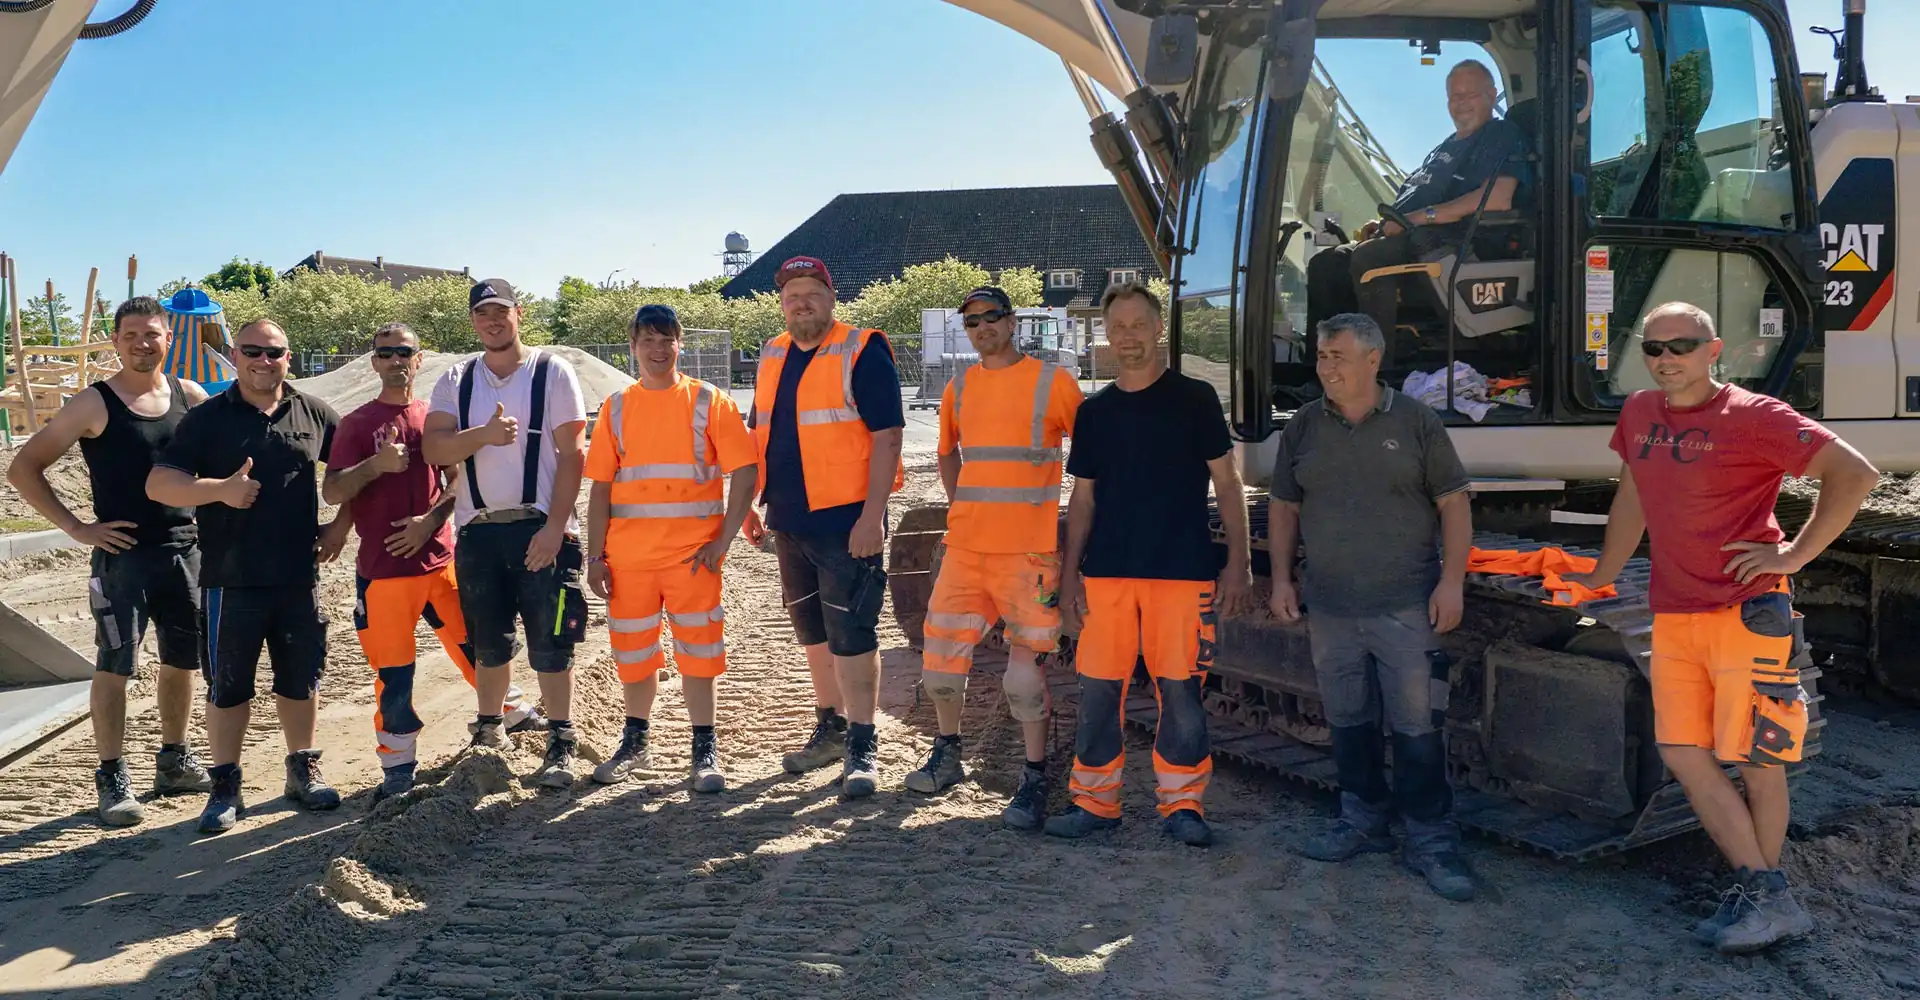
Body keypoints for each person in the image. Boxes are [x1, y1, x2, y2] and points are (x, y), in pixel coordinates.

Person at [1567, 302, 1877, 954]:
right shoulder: (1640, 416)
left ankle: (1764, 896)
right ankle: (1766, 894)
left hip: (1746, 614)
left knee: (1758, 762)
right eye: (1653, 347)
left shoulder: (1755, 417)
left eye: (1681, 345)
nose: (1665, 358)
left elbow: (1854, 474)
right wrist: (1602, 572)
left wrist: (1792, 554)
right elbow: (1634, 497)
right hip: (1675, 615)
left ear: (1713, 349)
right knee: (1683, 751)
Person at [1267, 313, 1476, 901]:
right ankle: (1362, 820)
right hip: (1331, 605)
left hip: (1405, 603)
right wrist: (1282, 579)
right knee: (1348, 718)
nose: (1325, 366)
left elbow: (1454, 505)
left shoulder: (1415, 422)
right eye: (1322, 355)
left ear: (1373, 359)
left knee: (1415, 725)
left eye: (1337, 355)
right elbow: (1284, 508)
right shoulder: (1305, 426)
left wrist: (1452, 583)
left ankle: (1431, 838)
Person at [1047, 281, 1252, 847]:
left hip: (1182, 573)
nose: (1128, 337)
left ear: (1159, 328)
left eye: (1139, 325)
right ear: (1105, 335)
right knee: (1098, 692)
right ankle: (1094, 802)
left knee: (1181, 692)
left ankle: (1183, 805)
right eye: (1118, 327)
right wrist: (1069, 582)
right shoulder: (1095, 414)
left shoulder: (1195, 400)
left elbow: (1228, 485)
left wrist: (1239, 563)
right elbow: (1082, 502)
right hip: (1107, 575)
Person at [6, 296, 213, 826]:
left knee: (181, 662)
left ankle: (174, 760)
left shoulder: (190, 397)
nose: (144, 344)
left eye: (153, 334)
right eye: (132, 335)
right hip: (123, 560)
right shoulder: (94, 404)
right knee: (115, 665)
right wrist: (77, 527)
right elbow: (24, 468)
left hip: (186, 553)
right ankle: (112, 774)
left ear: (168, 338)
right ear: (116, 341)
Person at [321, 322, 546, 805]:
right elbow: (334, 489)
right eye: (385, 353)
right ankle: (398, 763)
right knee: (395, 674)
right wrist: (375, 467)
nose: (396, 360)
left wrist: (429, 521)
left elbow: (456, 479)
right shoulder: (357, 424)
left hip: (441, 564)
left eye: (405, 352)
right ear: (374, 362)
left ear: (419, 359)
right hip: (383, 573)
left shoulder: (435, 416)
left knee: (479, 649)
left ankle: (509, 708)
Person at [146, 319, 349, 834]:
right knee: (228, 688)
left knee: (300, 681)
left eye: (274, 352)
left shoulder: (313, 413)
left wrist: (340, 528)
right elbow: (160, 483)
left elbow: (355, 474)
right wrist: (219, 490)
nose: (264, 360)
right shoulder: (209, 418)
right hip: (228, 581)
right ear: (234, 355)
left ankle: (302, 771)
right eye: (253, 351)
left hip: (298, 577)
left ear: (289, 357)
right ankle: (224, 787)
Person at [912, 285, 1082, 830]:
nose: (982, 327)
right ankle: (947, 753)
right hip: (966, 550)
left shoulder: (1053, 383)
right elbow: (947, 454)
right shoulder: (958, 388)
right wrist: (961, 507)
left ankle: (1034, 776)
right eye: (972, 322)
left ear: (1012, 323)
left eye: (992, 317)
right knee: (939, 659)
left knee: (1023, 677)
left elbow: (1095, 457)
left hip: (1027, 556)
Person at [740, 256, 904, 798]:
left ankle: (862, 743)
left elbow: (887, 437)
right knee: (812, 632)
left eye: (811, 292)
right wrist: (748, 505)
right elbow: (756, 433)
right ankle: (829, 728)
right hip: (788, 519)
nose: (801, 302)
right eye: (791, 295)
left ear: (831, 299)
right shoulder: (772, 353)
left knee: (851, 633)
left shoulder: (862, 349)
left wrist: (870, 517)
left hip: (846, 522)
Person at [423, 279, 591, 788]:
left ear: (518, 313)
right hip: (478, 534)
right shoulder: (456, 379)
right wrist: (485, 436)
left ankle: (560, 738)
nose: (492, 322)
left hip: (541, 530)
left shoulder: (552, 372)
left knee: (552, 641)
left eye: (501, 312)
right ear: (473, 322)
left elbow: (573, 455)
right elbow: (435, 450)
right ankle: (490, 730)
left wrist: (556, 529)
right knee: (487, 643)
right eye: (483, 314)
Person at [584, 304, 758, 792]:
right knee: (634, 655)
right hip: (629, 562)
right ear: (633, 347)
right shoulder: (616, 408)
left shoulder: (709, 401)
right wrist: (596, 557)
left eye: (667, 340)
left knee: (699, 657)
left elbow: (745, 471)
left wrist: (723, 540)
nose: (658, 350)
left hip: (692, 560)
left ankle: (704, 751)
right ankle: (635, 743)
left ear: (680, 343)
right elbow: (600, 488)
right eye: (648, 341)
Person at [1304, 59, 1529, 344]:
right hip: (1410, 233)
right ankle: (1325, 361)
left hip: (1452, 244)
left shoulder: (1500, 135)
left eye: (1470, 94)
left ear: (1490, 94)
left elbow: (1498, 198)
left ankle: (1375, 365)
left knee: (1371, 258)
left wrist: (1415, 219)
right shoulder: (1444, 147)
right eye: (1455, 96)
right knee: (1326, 263)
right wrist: (1391, 222)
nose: (1461, 103)